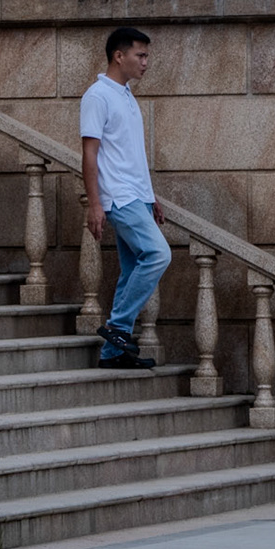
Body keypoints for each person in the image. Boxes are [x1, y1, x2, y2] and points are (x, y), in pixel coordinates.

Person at [80, 26, 170, 369]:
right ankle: (117, 328)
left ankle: (112, 354)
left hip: (138, 197)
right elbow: (90, 154)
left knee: (132, 269)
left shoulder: (126, 95)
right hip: (118, 197)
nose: (146, 63)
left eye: (147, 56)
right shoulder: (98, 96)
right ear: (120, 56)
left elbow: (130, 154)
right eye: (141, 55)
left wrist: (151, 196)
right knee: (159, 255)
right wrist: (95, 203)